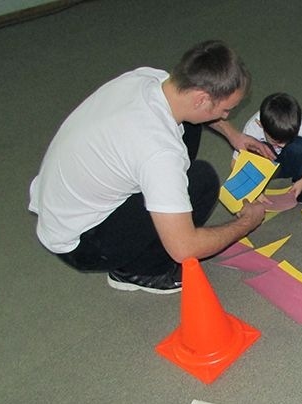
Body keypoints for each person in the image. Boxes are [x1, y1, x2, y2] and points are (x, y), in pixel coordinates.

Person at [29, 40, 274, 294]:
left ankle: (162, 204)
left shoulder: (148, 78)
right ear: (201, 99)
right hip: (82, 242)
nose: (225, 117)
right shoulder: (159, 152)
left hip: (61, 207)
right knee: (202, 182)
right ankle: (139, 271)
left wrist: (234, 135)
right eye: (226, 110)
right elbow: (184, 248)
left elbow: (194, 113)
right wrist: (247, 222)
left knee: (189, 127)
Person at [232, 92, 302, 204]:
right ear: (261, 125)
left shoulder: (301, 124)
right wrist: (253, 191)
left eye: (288, 139)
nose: (283, 145)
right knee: (256, 149)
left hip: (290, 163)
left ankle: (299, 183)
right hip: (267, 166)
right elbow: (235, 163)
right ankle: (259, 185)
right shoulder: (252, 129)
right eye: (276, 141)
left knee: (300, 147)